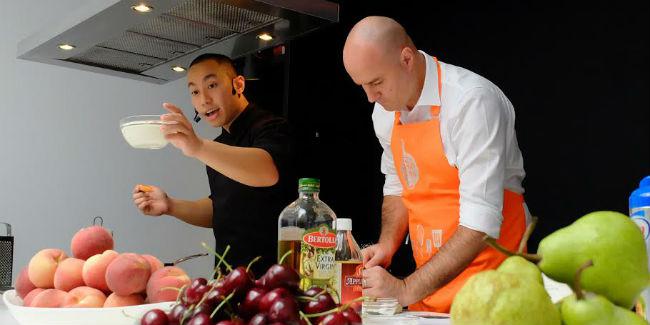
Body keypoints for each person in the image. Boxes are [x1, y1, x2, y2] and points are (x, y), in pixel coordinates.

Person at [342, 16, 530, 312]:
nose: (370, 97)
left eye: (376, 82)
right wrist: (387, 246)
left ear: (406, 58)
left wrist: (404, 289)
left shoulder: (472, 102)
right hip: (428, 296)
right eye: (362, 85)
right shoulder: (384, 111)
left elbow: (481, 225)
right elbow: (398, 185)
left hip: (496, 295)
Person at [132, 53, 294, 275]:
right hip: (228, 281)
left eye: (212, 85)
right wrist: (170, 205)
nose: (204, 100)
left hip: (275, 281)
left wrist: (198, 147)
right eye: (195, 92)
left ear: (238, 84)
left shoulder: (272, 127)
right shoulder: (217, 146)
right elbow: (222, 207)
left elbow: (267, 171)